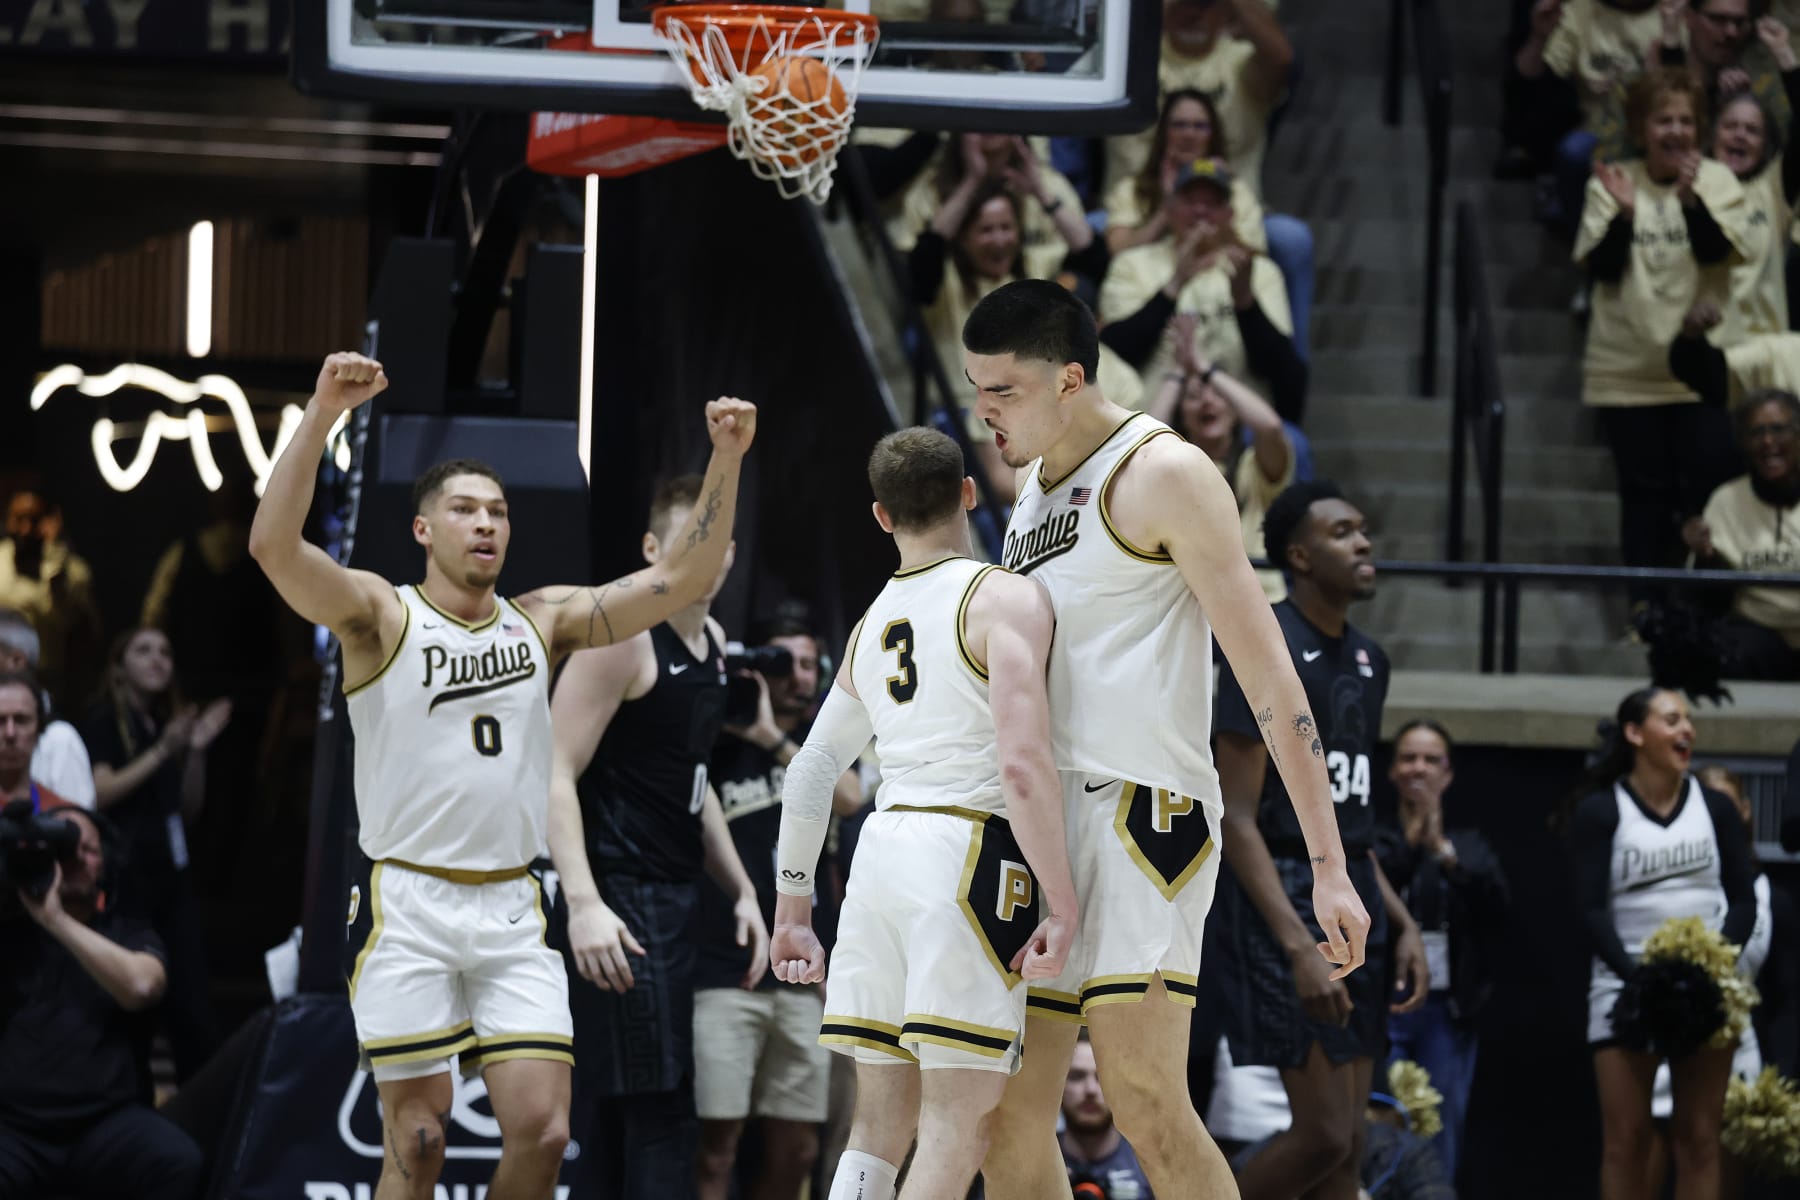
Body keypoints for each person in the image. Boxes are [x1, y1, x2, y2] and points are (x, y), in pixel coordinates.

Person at [248, 351, 756, 1200]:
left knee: (546, 1132)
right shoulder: (379, 616)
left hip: (513, 905)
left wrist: (727, 459)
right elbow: (273, 545)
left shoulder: (544, 619)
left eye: (497, 512)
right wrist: (322, 412)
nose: (485, 523)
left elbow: (683, 577)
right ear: (425, 529)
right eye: (464, 510)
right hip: (406, 899)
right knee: (419, 1137)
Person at [960, 280, 1371, 1200]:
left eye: (1004, 392)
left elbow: (1271, 679)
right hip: (1044, 822)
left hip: (1141, 813)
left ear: (1070, 379)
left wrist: (1330, 864)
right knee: (1008, 1118)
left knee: (1143, 1096)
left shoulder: (1167, 473)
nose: (984, 413)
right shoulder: (1031, 492)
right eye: (976, 390)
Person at [768, 425, 1076, 1200]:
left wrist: (792, 911)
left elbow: (809, 775)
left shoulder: (870, 626)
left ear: (881, 517)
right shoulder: (1004, 595)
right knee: (959, 1124)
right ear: (969, 493)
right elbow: (1022, 762)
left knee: (877, 1128)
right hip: (967, 852)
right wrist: (1062, 899)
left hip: (880, 855)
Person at [545, 474, 770, 1200]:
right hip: (620, 898)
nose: (700, 562)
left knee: (649, 1106)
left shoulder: (711, 643)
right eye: (683, 547)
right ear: (651, 550)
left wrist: (741, 891)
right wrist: (582, 902)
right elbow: (553, 769)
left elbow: (693, 784)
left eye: (712, 549)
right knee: (657, 1108)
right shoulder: (621, 638)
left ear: (728, 556)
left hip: (675, 897)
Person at [1212, 480, 1429, 1200]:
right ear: (1299, 555)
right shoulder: (1262, 645)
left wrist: (1399, 920)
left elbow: (1353, 820)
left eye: (1365, 529)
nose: (1364, 542)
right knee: (1324, 1134)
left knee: (1351, 1148)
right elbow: (1235, 816)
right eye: (1342, 533)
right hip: (1283, 897)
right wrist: (1299, 948)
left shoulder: (1371, 660)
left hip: (1354, 895)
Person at [693, 608, 865, 1200]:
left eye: (808, 663)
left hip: (798, 977)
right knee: (716, 1148)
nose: (797, 676)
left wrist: (771, 736)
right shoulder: (716, 740)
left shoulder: (822, 742)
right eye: (781, 662)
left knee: (798, 1150)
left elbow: (848, 796)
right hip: (725, 968)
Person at [1567, 687, 1757, 1200]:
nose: (1687, 730)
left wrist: (1710, 969)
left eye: (1688, 721)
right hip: (1624, 989)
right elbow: (1589, 909)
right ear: (1635, 733)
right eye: (1672, 720)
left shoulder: (1714, 807)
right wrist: (1641, 979)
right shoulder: (1603, 811)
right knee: (1626, 1143)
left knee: (1698, 1140)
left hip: (1707, 989)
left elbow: (1743, 902)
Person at [1577, 67, 1749, 592]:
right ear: (1640, 127)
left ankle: (1701, 608)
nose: (1674, 131)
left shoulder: (1717, 179)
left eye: (1685, 121)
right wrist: (1626, 215)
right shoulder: (1613, 182)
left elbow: (1719, 251)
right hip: (1627, 372)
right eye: (1662, 121)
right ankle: (1644, 610)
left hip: (1700, 371)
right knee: (1643, 495)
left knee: (1708, 492)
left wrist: (1692, 201)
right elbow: (1600, 269)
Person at [0, 798, 204, 1200]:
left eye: (89, 850)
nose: (76, 857)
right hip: (15, 1129)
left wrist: (55, 920)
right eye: (62, 846)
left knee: (178, 1161)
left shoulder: (128, 933)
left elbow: (143, 987)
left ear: (105, 867)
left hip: (104, 1126)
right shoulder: (10, 933)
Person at [79, 628, 231, 1082]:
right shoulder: (103, 721)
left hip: (172, 884)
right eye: (143, 651)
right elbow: (99, 791)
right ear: (118, 667)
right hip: (126, 888)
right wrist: (164, 750)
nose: (158, 659)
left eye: (166, 651)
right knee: (133, 1015)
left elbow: (185, 810)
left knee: (192, 1010)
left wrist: (196, 753)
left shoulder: (161, 726)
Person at [1376, 720, 1512, 1183]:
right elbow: (1367, 900)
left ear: (1448, 774)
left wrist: (1442, 851)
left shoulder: (1470, 845)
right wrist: (1412, 844)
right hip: (1383, 1007)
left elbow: (1499, 908)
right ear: (1392, 770)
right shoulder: (1372, 842)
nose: (1419, 769)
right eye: (1409, 758)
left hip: (1447, 1011)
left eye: (1431, 760)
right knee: (1378, 1124)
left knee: (1441, 1128)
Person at [1103, 89, 1313, 361]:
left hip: (1217, 276)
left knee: (1289, 237)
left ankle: (1296, 363)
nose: (1189, 134)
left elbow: (1252, 260)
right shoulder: (1133, 188)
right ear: (1162, 131)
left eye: (1199, 125)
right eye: (1179, 124)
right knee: (1096, 223)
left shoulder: (1236, 191)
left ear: (1212, 134)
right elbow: (1117, 252)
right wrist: (1168, 207)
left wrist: (1219, 219)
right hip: (1153, 276)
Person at [1099, 158, 1308, 424]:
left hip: (1239, 427)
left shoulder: (1259, 272)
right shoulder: (1131, 265)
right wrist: (1174, 285)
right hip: (1151, 426)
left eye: (1212, 203)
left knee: (1294, 445)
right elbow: (1115, 355)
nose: (1200, 211)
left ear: (1229, 214)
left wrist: (1245, 302)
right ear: (1170, 209)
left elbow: (1284, 372)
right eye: (1190, 201)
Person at [1148, 314, 1295, 602]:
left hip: (1262, 601)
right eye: (1193, 396)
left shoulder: (1254, 466)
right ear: (1182, 415)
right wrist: (1178, 372)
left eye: (1217, 394)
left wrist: (1204, 368)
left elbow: (1270, 426)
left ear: (1235, 410)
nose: (1206, 402)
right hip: (1192, 603)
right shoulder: (1170, 469)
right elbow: (1140, 443)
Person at [1514, 0, 1666, 238]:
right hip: (1597, 133)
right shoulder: (1579, 11)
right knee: (1572, 152)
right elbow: (1530, 90)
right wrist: (1538, 38)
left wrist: (1662, 71)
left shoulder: (1673, 13)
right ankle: (1585, 244)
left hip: (1659, 129)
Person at [1682, 388, 1800, 678]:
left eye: (1778, 429)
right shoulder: (1725, 500)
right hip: (1759, 633)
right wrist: (1706, 556)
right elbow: (1709, 604)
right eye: (1756, 432)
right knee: (1721, 646)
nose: (1768, 441)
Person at [1708, 20, 1800, 346]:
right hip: (1702, 354)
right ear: (1713, 135)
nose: (1740, 135)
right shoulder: (1691, 180)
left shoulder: (1773, 189)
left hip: (1763, 354)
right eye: (1730, 125)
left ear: (1765, 145)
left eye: (1752, 130)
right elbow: (1675, 116)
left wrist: (1785, 57)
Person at [0, 486, 101, 705]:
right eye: (18, 519)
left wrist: (57, 559)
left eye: (34, 520)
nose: (25, 529)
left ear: (50, 521)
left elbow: (66, 623)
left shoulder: (74, 573)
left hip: (51, 682)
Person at [0, 609, 95, 809]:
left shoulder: (59, 741)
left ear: (16, 661)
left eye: (21, 720)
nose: (10, 733)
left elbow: (78, 831)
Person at [1060, 1033, 1154, 1200]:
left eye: (1102, 1078)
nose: (1090, 1090)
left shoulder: (1151, 1166)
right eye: (1076, 1076)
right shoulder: (1036, 1163)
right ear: (1058, 1085)